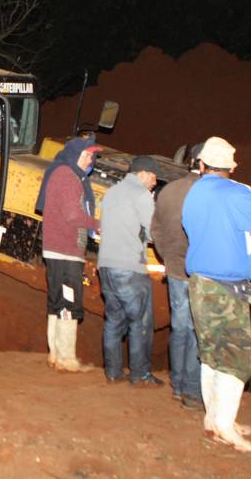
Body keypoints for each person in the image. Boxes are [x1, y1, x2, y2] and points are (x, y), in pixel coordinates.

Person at [182, 136, 251, 452]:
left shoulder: (193, 193)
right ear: (232, 167)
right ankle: (224, 427)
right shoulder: (239, 194)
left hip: (199, 284)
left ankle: (216, 419)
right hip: (228, 290)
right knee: (235, 359)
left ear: (200, 164)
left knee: (210, 352)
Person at [35, 134, 102, 373]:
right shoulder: (69, 177)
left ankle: (55, 354)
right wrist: (97, 224)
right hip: (65, 250)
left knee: (57, 303)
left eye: (92, 156)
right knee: (68, 302)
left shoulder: (62, 173)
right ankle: (66, 358)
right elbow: (73, 215)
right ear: (76, 155)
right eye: (87, 156)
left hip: (58, 250)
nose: (90, 161)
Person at [98, 155, 162, 387]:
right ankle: (140, 374)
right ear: (143, 174)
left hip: (105, 265)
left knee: (114, 320)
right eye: (154, 177)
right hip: (130, 268)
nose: (155, 182)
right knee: (140, 322)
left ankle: (113, 372)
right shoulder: (142, 195)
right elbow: (154, 233)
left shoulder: (111, 193)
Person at [151, 142, 206, 410]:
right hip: (202, 274)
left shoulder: (169, 190)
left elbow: (156, 229)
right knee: (198, 331)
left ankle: (177, 384)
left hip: (175, 270)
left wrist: (168, 257)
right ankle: (192, 391)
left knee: (180, 328)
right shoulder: (210, 193)